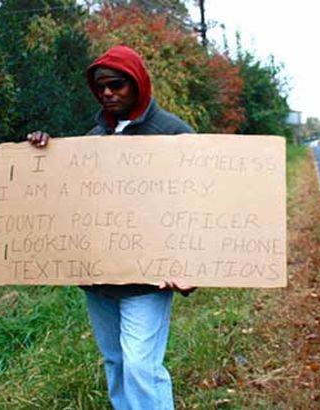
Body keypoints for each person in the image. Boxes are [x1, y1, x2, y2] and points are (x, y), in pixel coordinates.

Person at [27, 44, 195, 410]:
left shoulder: (174, 134)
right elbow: (70, 198)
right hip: (98, 278)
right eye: (101, 86)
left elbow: (198, 204)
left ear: (137, 83)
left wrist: (190, 267)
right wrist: (41, 154)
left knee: (140, 365)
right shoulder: (92, 139)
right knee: (116, 360)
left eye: (117, 84)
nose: (107, 93)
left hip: (147, 279)